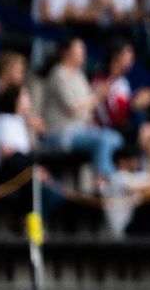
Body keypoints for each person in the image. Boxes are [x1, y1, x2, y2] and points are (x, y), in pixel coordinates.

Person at [37, 38, 125, 187]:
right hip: (62, 133)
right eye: (79, 49)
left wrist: (100, 96)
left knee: (115, 138)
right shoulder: (58, 74)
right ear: (65, 51)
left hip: (82, 130)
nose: (83, 53)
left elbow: (88, 106)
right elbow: (73, 108)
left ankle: (106, 178)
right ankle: (104, 181)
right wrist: (97, 95)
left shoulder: (79, 74)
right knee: (104, 140)